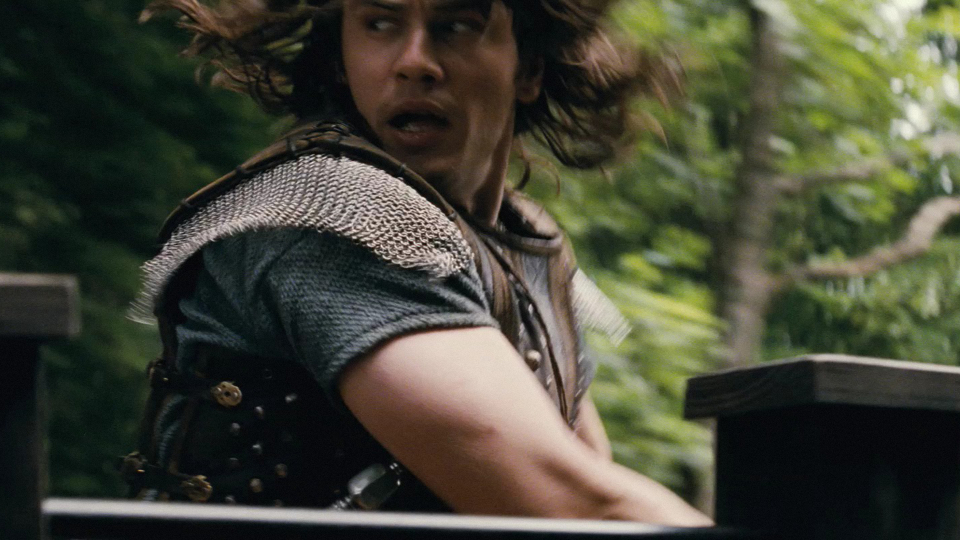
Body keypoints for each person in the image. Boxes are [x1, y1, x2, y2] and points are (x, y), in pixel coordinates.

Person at [123, 0, 710, 525]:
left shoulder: (523, 247)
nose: (414, 62)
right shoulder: (332, 213)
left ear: (528, 67)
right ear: (341, 57)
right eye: (380, 23)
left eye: (456, 25)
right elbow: (573, 502)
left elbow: (587, 483)